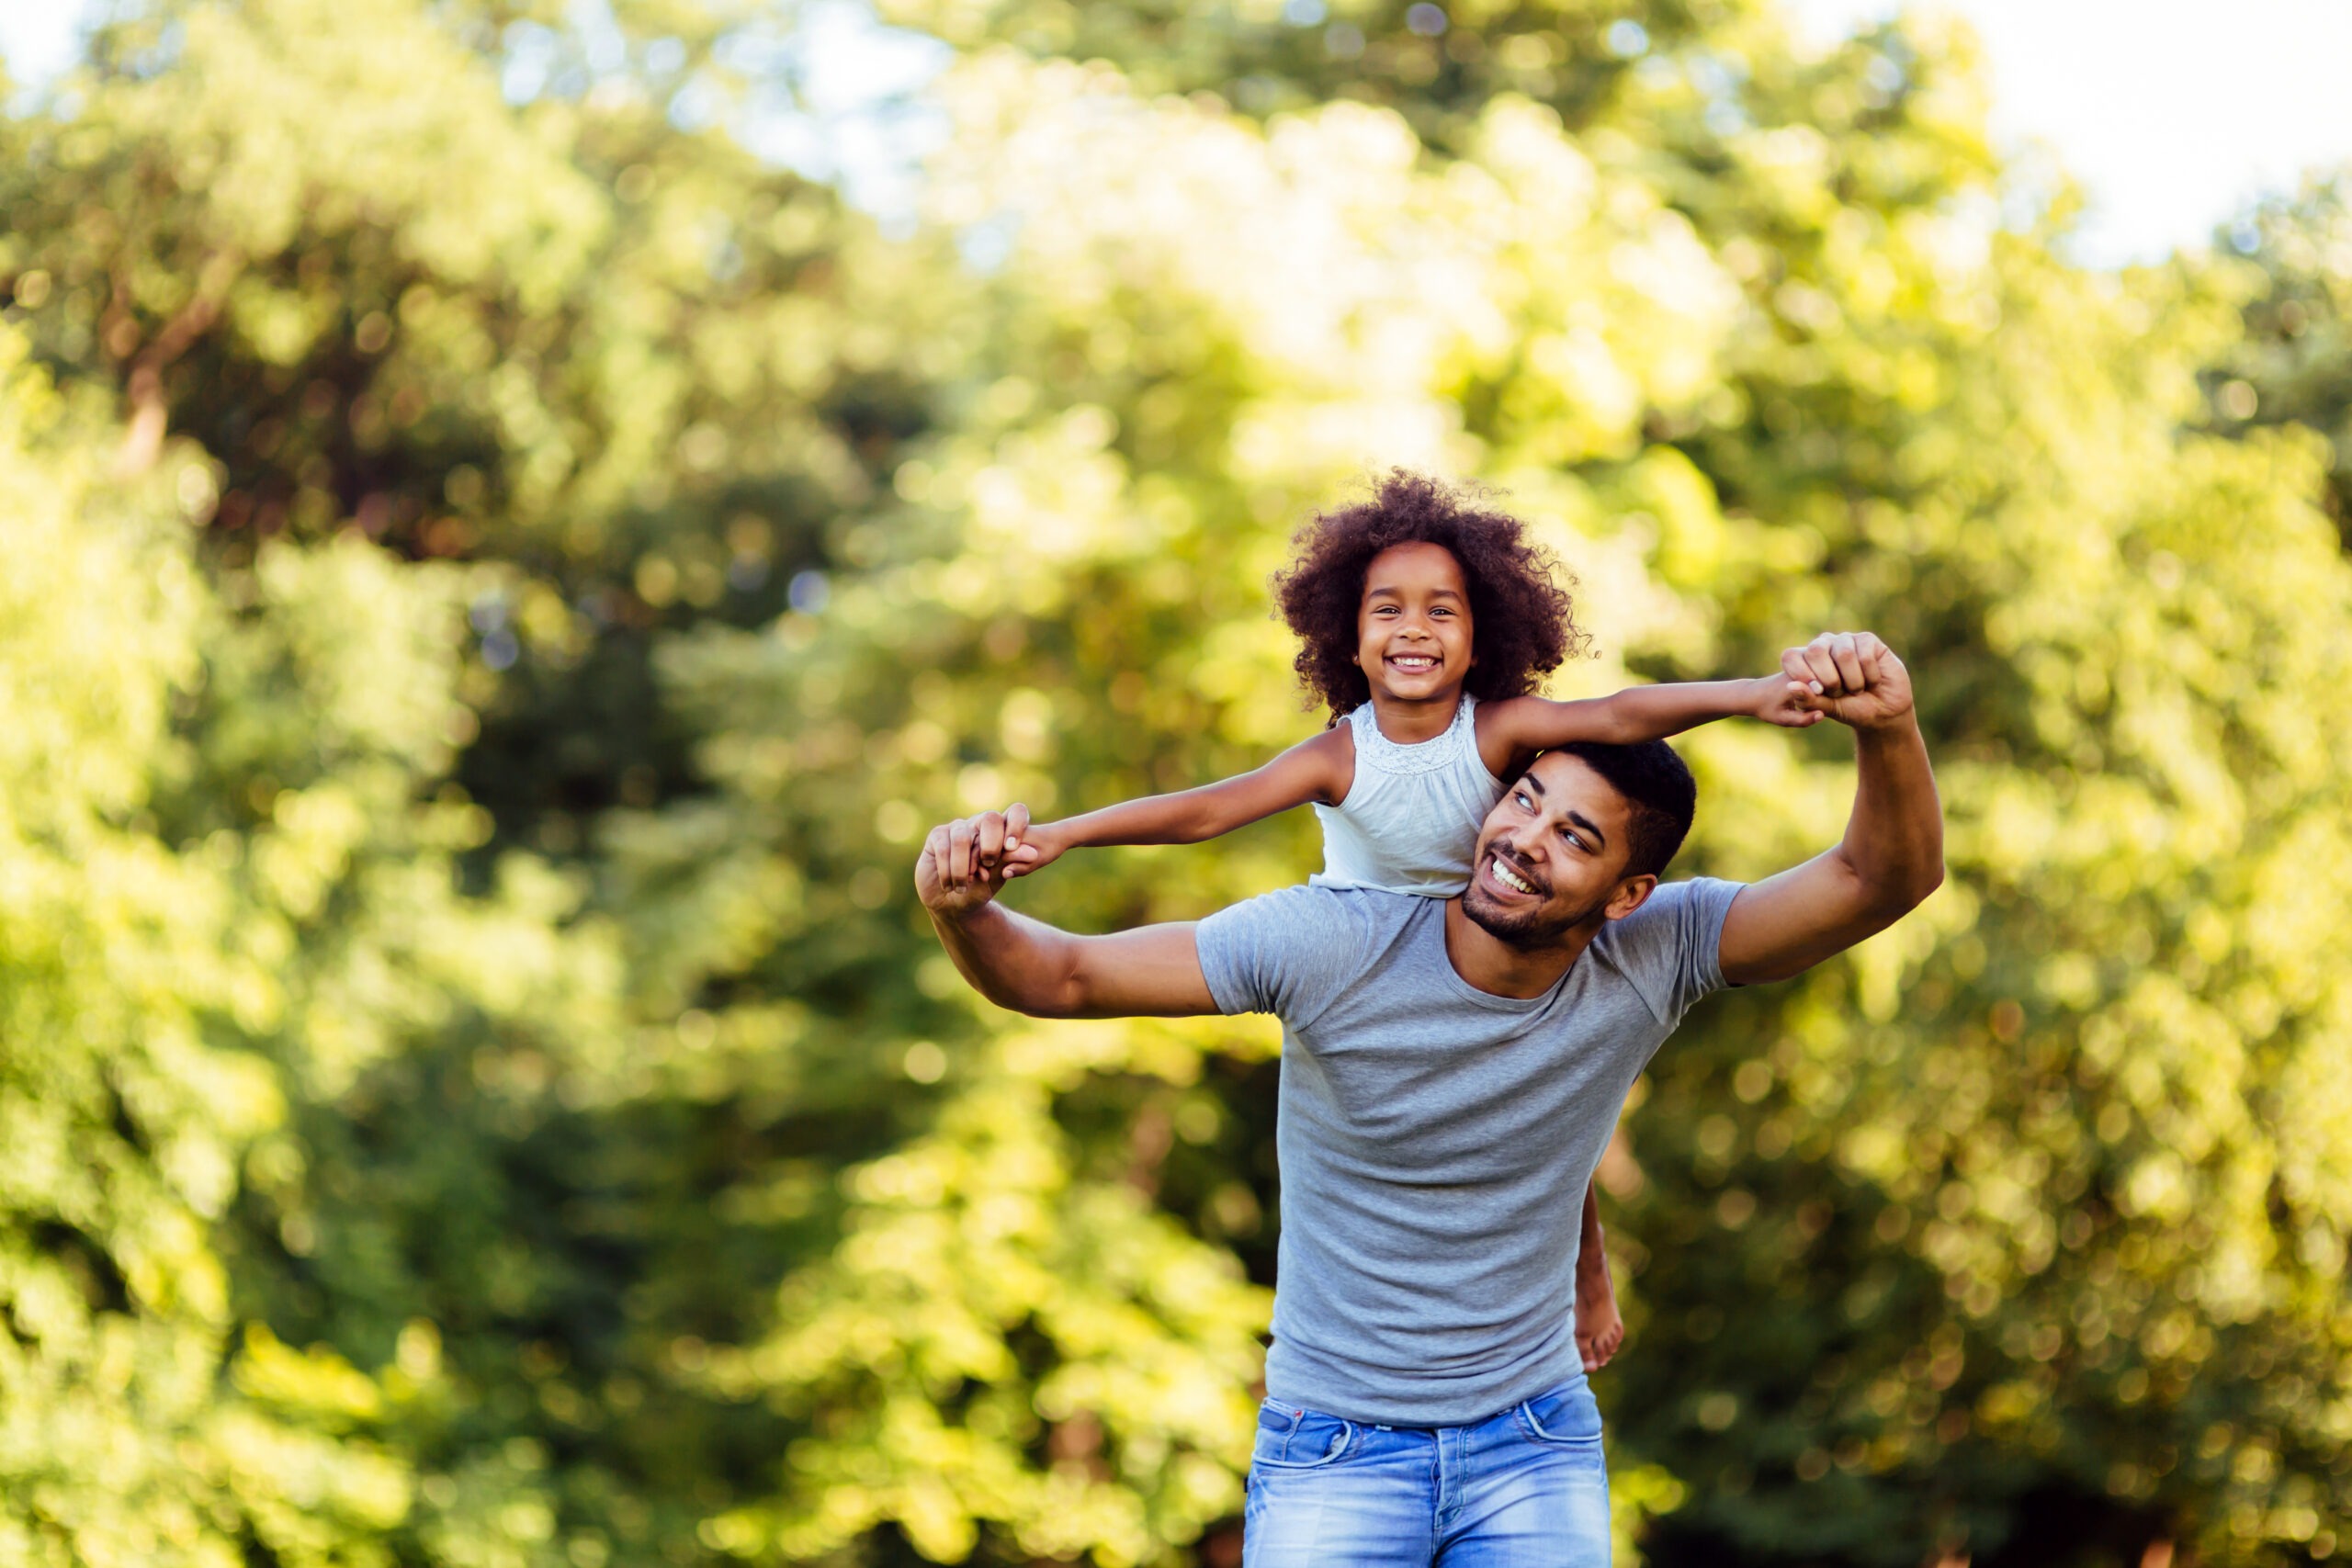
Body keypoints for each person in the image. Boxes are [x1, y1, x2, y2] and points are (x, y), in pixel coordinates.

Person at [919, 630, 1942, 1566]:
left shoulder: (1656, 950)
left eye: (1578, 838)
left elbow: (1878, 878)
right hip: (1335, 1449)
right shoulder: (1333, 943)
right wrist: (965, 913)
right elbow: (1062, 978)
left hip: (1533, 1442)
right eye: (1525, 799)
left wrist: (1887, 727)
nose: (1525, 838)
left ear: (1627, 893)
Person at [982, 471, 1822, 1371]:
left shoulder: (1497, 730)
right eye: (1387, 609)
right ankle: (1556, 1285)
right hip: (1373, 955)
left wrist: (1751, 696)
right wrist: (1063, 835)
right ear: (1348, 634)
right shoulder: (1339, 754)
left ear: (1481, 637)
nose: (1413, 629)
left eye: (1442, 613)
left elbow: (1618, 714)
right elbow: (1206, 812)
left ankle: (1586, 1278)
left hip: (1486, 931)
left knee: (1548, 1128)